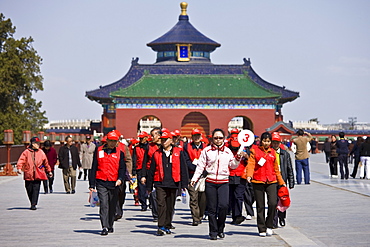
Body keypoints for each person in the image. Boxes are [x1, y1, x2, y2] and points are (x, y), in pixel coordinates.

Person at [190, 128, 241, 240]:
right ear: (212, 139)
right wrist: (194, 179)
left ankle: (220, 228)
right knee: (212, 209)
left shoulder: (227, 151)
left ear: (224, 139)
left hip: (223, 182)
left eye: (220, 138)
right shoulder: (207, 151)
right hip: (211, 181)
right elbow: (200, 166)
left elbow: (233, 165)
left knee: (224, 206)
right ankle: (213, 231)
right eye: (216, 138)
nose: (218, 140)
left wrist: (237, 158)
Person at [242, 132, 286, 237]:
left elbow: (276, 169)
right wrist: (249, 175)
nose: (266, 143)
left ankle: (269, 224)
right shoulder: (255, 151)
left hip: (271, 180)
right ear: (261, 141)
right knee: (260, 206)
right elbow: (251, 164)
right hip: (258, 181)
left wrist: (282, 182)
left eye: (268, 141)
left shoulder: (273, 153)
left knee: (272, 203)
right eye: (264, 141)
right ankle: (261, 228)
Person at [146, 131, 189, 236]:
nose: (164, 142)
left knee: (170, 205)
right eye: (162, 140)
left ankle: (167, 224)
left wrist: (184, 184)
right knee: (161, 204)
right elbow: (151, 170)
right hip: (160, 182)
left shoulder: (179, 152)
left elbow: (183, 168)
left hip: (173, 182)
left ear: (171, 140)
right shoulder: (157, 153)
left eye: (166, 139)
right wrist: (149, 185)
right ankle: (160, 226)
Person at [89, 131, 126, 236]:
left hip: (114, 183)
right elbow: (94, 167)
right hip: (101, 181)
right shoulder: (99, 150)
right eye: (111, 141)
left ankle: (110, 224)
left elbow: (122, 168)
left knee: (112, 205)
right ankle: (104, 226)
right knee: (104, 204)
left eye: (115, 141)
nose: (113, 143)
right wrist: (92, 184)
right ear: (107, 141)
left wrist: (120, 179)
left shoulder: (120, 153)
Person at [16, 137, 53, 210]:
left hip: (38, 174)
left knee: (36, 190)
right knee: (29, 189)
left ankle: (34, 204)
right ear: (32, 144)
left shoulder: (41, 152)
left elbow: (45, 163)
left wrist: (47, 170)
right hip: (28, 173)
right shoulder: (26, 152)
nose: (38, 145)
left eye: (39, 143)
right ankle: (32, 201)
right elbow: (21, 160)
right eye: (37, 143)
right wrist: (19, 168)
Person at [226, 128, 250, 225]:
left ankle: (237, 216)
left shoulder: (244, 147)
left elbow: (251, 161)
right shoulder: (226, 147)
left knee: (238, 196)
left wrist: (246, 156)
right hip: (230, 174)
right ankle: (234, 215)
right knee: (231, 196)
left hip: (240, 175)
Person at [183, 128, 207, 226]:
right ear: (192, 137)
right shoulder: (186, 147)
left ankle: (201, 215)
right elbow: (186, 160)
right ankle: (195, 218)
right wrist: (196, 168)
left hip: (203, 176)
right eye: (194, 136)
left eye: (198, 136)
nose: (196, 138)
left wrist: (203, 170)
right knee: (193, 197)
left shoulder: (206, 147)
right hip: (191, 175)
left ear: (201, 137)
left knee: (203, 198)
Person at [271, 132, 294, 228]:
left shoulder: (285, 154)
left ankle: (282, 217)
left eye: (277, 142)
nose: (276, 144)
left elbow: (289, 168)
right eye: (274, 142)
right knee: (273, 201)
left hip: (282, 180)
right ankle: (274, 220)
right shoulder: (269, 153)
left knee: (283, 200)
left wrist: (291, 181)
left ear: (280, 143)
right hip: (272, 180)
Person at [132, 131, 150, 211]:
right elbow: (134, 159)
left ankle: (152, 203)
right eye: (140, 138)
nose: (141, 139)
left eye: (142, 138)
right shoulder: (137, 148)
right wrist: (134, 171)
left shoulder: (150, 147)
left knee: (150, 187)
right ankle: (143, 204)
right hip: (139, 169)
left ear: (146, 138)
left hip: (149, 169)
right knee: (141, 188)